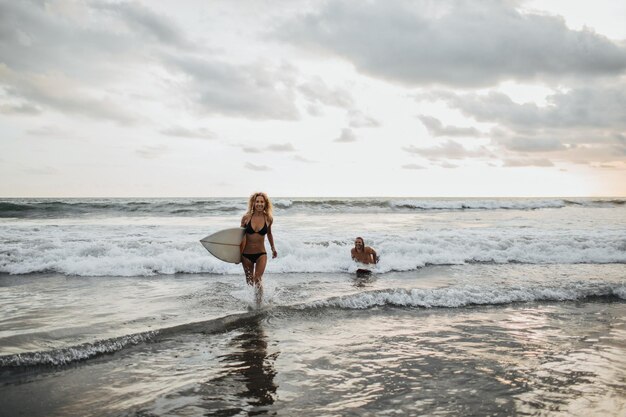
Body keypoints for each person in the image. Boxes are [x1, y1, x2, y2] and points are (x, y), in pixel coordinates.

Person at [240, 192, 277, 288]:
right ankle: (250, 302)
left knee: (257, 279)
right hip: (246, 255)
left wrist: (273, 249)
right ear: (253, 203)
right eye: (257, 201)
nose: (259, 204)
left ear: (265, 204)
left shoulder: (268, 219)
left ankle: (259, 302)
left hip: (261, 254)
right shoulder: (246, 218)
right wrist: (237, 254)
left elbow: (269, 233)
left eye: (262, 201)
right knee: (249, 281)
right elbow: (240, 236)